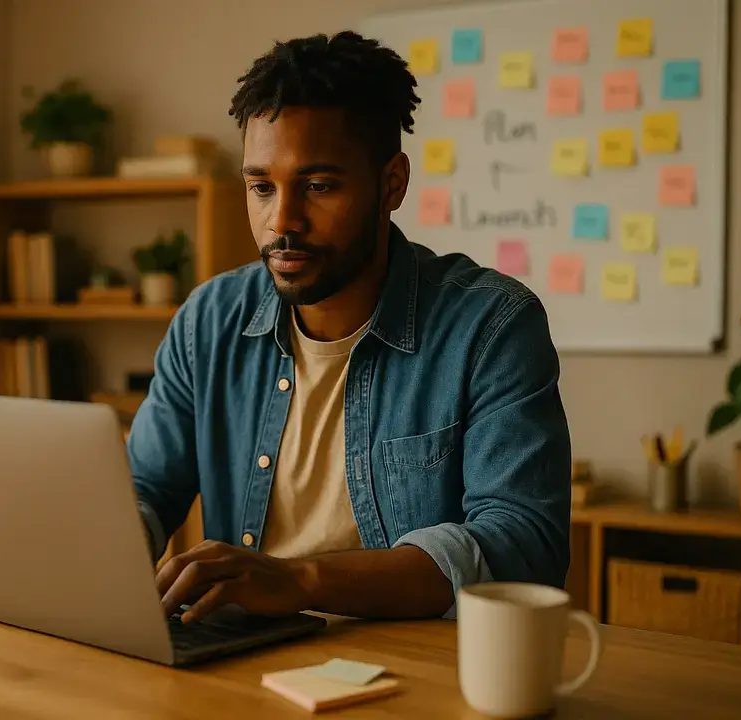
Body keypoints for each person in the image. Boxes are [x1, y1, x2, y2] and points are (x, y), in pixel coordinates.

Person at [127, 30, 571, 625]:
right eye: (261, 187)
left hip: (415, 675)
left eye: (318, 187)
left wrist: (300, 580)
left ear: (392, 184)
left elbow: (523, 546)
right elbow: (145, 492)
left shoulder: (490, 327)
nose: (281, 220)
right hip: (242, 666)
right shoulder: (207, 323)